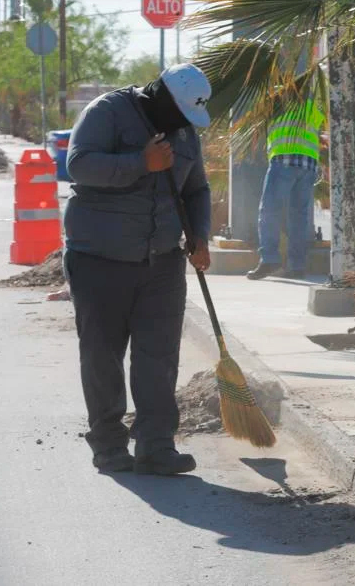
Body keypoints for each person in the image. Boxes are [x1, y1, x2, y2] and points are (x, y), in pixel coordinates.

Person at [64, 63, 213, 475]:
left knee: (159, 356)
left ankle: (156, 446)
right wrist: (139, 162)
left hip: (162, 262)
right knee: (102, 355)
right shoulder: (107, 112)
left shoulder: (184, 132)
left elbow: (196, 188)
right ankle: (109, 444)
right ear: (163, 98)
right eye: (181, 114)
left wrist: (200, 234)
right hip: (99, 258)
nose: (185, 124)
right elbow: (78, 166)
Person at [246, 99, 325, 280]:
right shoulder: (312, 104)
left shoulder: (277, 98)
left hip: (284, 158)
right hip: (308, 163)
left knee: (269, 211)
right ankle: (297, 266)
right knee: (299, 217)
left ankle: (269, 259)